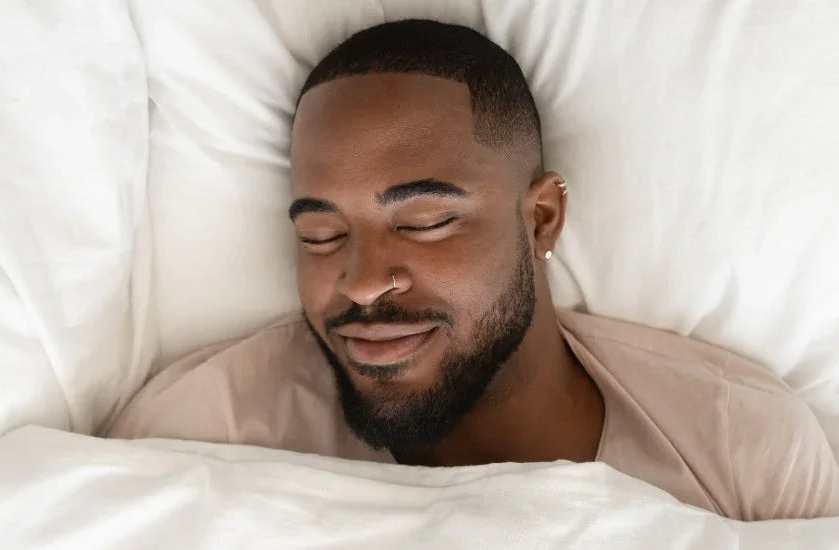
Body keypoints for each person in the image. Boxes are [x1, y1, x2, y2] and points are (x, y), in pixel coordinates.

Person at [109, 19, 839, 521]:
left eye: (424, 223)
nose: (362, 283)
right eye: (322, 234)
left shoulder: (741, 445)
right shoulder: (195, 441)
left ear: (541, 219)